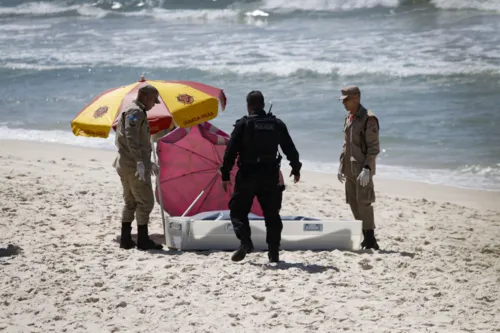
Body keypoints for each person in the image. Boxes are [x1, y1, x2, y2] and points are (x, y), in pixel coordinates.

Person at [220, 91, 302, 263]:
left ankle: (245, 242)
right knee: (272, 214)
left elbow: (230, 152)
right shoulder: (277, 124)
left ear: (248, 106)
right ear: (263, 105)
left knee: (238, 210)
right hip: (270, 175)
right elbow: (290, 148)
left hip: (248, 174)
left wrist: (225, 174)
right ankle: (273, 252)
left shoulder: (243, 124)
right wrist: (296, 168)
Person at [113, 84, 163, 251]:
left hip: (125, 163)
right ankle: (142, 240)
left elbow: (135, 139)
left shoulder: (132, 110)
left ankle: (126, 239)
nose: (154, 104)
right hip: (133, 165)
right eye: (153, 101)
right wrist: (140, 162)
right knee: (146, 201)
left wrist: (149, 162)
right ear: (146, 97)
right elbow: (131, 136)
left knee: (131, 202)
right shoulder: (136, 112)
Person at [337, 85, 380, 250]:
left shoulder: (368, 119)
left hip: (363, 169)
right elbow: (346, 144)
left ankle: (370, 238)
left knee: (364, 203)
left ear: (356, 98)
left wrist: (367, 168)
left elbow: (373, 147)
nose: (344, 103)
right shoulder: (349, 117)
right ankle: (364, 235)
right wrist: (341, 165)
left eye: (346, 100)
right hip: (350, 169)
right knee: (353, 202)